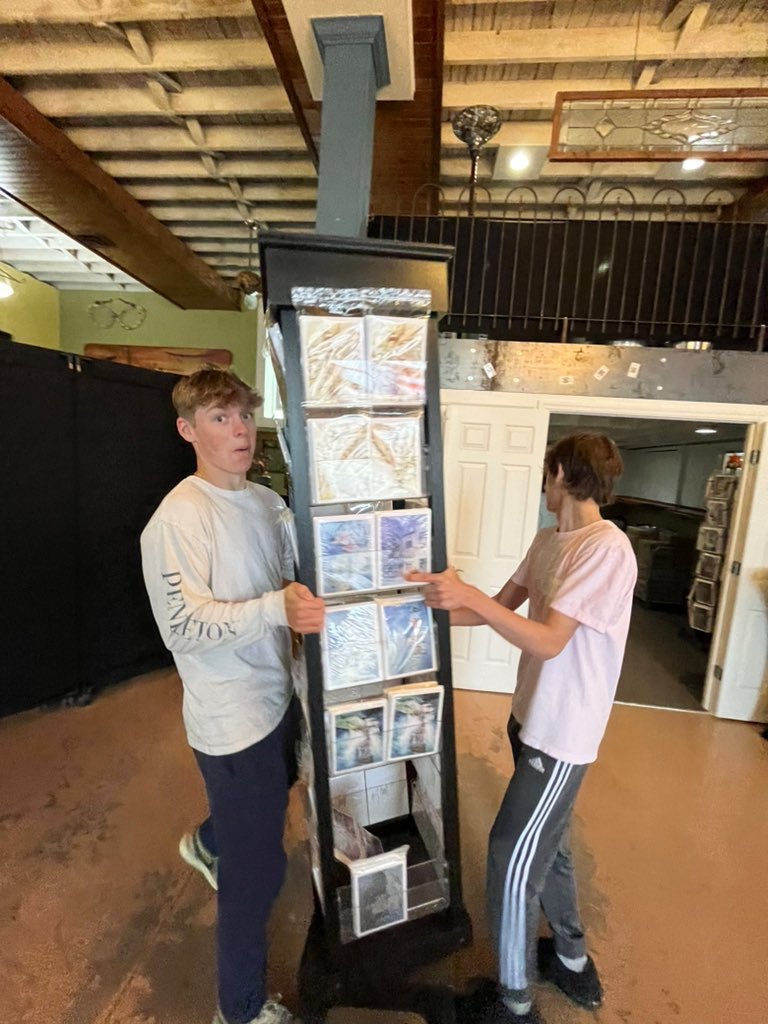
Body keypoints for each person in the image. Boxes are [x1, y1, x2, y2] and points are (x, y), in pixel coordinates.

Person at [409, 432, 637, 1024]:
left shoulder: (605, 549)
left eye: (545, 472)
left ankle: (514, 1005)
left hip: (561, 735)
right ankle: (571, 957)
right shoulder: (548, 541)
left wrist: (470, 599)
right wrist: (425, 604)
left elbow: (550, 640)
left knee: (511, 857)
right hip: (529, 719)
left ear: (560, 473)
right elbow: (495, 609)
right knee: (551, 847)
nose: (543, 482)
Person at [140, 367, 325, 1024]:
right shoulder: (178, 520)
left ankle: (211, 839)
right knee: (259, 878)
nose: (240, 429)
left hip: (276, 699)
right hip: (230, 720)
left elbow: (299, 569)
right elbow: (182, 628)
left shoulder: (264, 502)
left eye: (244, 414)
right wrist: (275, 609)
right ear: (189, 430)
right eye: (220, 418)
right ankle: (239, 1010)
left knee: (272, 797)